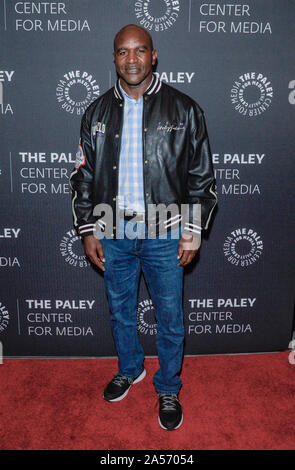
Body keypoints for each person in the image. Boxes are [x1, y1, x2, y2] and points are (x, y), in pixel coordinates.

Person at [70, 24, 217, 431]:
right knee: (121, 312)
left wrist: (192, 228)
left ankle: (168, 386)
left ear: (154, 56)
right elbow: (82, 178)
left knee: (170, 316)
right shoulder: (96, 112)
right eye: (122, 52)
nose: (131, 59)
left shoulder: (185, 109)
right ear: (114, 58)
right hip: (112, 228)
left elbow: (201, 177)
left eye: (139, 51)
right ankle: (130, 368)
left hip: (165, 231)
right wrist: (88, 230)